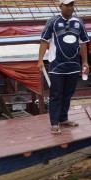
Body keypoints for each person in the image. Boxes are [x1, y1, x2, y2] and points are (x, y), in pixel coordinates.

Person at [37, 0, 89, 134]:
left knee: (68, 94)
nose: (70, 7)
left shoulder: (79, 22)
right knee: (56, 94)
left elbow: (83, 42)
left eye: (72, 4)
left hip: (73, 65)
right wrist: (40, 60)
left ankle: (63, 118)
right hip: (57, 65)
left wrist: (84, 62)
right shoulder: (53, 22)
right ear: (60, 6)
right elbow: (44, 40)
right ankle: (54, 123)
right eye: (67, 5)